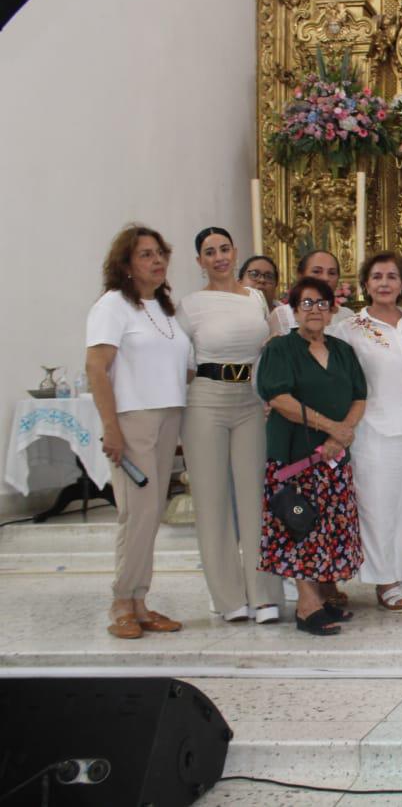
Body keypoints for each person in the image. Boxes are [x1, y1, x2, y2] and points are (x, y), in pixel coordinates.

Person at [85, 224, 191, 639]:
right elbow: (96, 367)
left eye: (161, 253)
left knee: (150, 515)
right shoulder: (113, 305)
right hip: (133, 419)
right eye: (146, 254)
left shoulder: (164, 308)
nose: (157, 260)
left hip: (167, 418)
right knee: (137, 515)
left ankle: (141, 602)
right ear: (126, 264)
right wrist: (112, 428)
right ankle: (121, 603)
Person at [177, 227, 283, 624]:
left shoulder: (255, 298)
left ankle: (264, 595)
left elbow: (270, 349)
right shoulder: (190, 305)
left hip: (250, 401)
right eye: (209, 251)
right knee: (213, 501)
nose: (219, 256)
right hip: (206, 399)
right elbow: (181, 364)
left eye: (224, 248)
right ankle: (227, 598)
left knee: (257, 498)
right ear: (200, 260)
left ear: (235, 252)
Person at [257, 277, 366, 635]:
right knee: (299, 527)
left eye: (322, 303)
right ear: (293, 310)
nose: (315, 310)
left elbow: (359, 396)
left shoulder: (342, 350)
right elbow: (279, 399)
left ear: (332, 310)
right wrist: (332, 428)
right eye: (307, 303)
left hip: (333, 459)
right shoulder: (281, 349)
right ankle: (306, 607)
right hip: (295, 459)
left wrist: (343, 431)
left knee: (328, 528)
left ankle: (318, 599)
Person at [331, 252, 402, 612]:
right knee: (376, 508)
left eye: (391, 276)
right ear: (366, 284)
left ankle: (396, 575)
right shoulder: (350, 329)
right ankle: (383, 580)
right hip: (372, 432)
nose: (384, 283)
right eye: (377, 277)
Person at [267, 249, 355, 337]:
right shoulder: (282, 314)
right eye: (316, 271)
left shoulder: (348, 316)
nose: (325, 278)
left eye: (332, 273)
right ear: (300, 275)